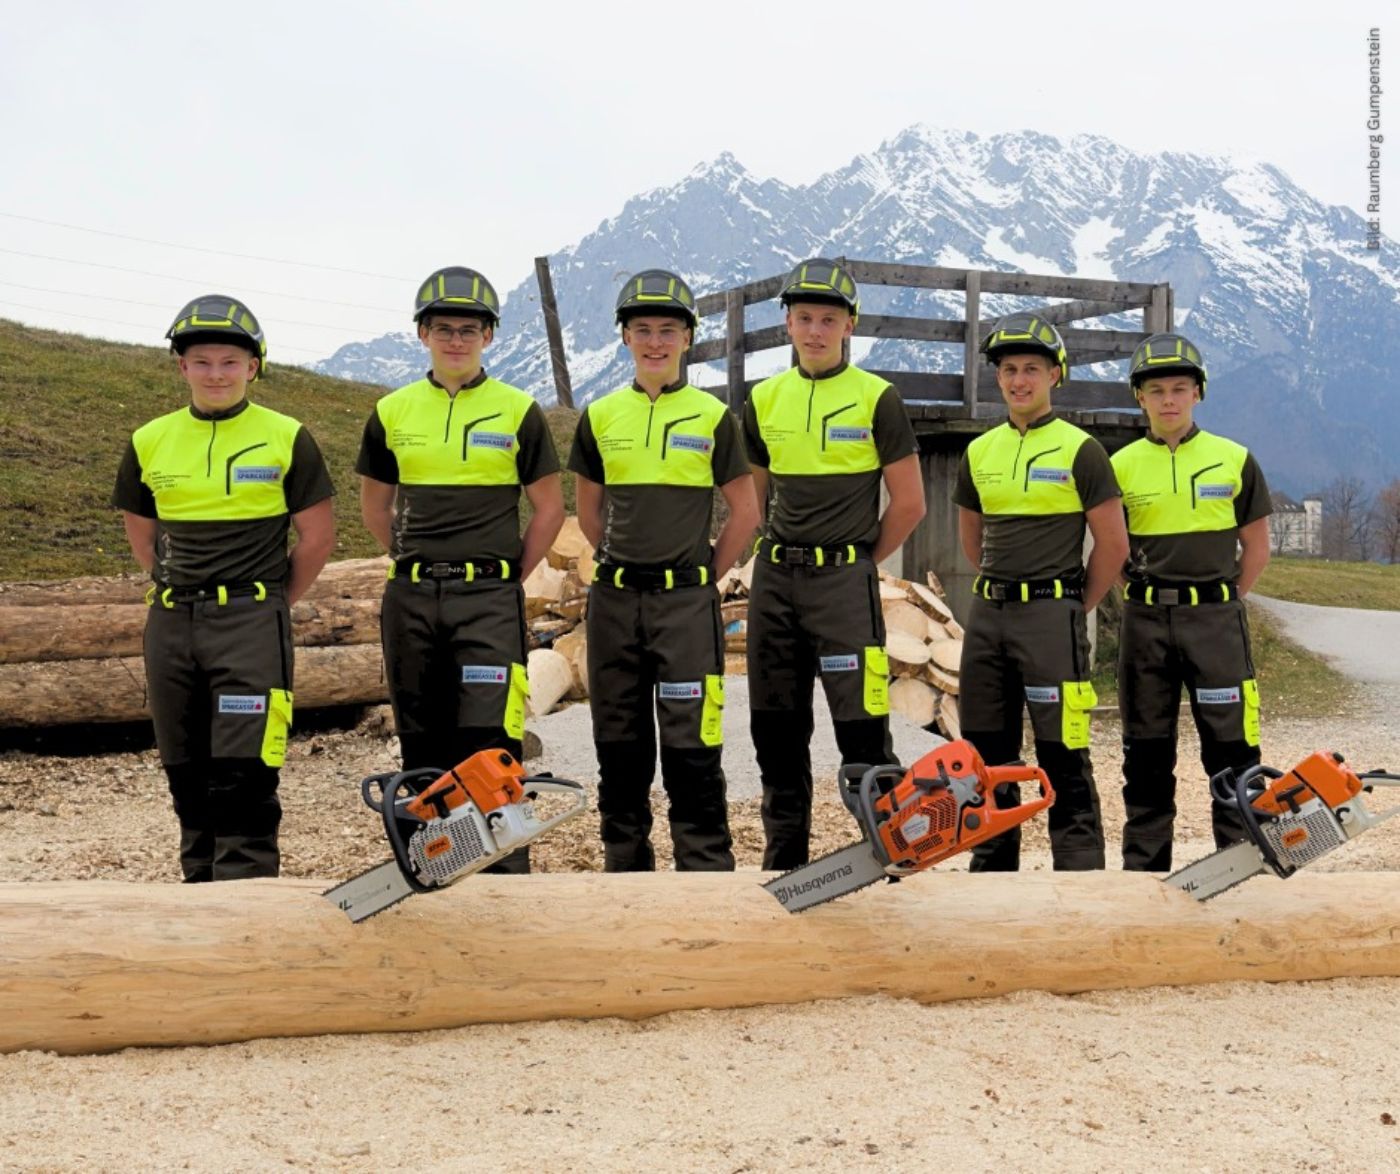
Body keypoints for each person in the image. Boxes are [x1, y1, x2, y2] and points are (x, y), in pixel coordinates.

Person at [113, 295, 336, 881]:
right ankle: (198, 890)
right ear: (181, 366)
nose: (216, 374)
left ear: (252, 367)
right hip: (172, 625)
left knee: (245, 770)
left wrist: (270, 604)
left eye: (230, 362)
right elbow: (143, 537)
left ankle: (248, 897)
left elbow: (317, 538)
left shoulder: (287, 436)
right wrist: (179, 590)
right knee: (184, 766)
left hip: (250, 623)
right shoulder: (148, 439)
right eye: (203, 362)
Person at [357, 265, 564, 874]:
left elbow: (550, 509)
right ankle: (433, 870)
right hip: (412, 600)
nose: (455, 339)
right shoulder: (391, 411)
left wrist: (509, 575)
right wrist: (411, 556)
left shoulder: (518, 411)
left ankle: (505, 879)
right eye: (443, 328)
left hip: (488, 602)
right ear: (422, 333)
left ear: (488, 336)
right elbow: (375, 507)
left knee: (490, 742)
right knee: (421, 741)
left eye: (468, 329)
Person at [568, 269, 759, 871]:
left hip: (685, 610)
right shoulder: (600, 416)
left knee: (692, 746)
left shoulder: (713, 416)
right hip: (614, 607)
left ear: (687, 338)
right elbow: (589, 513)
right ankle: (625, 870)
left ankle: (704, 871)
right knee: (618, 744)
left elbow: (746, 511)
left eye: (668, 331)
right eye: (644, 329)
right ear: (625, 336)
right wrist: (626, 562)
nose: (656, 341)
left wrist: (703, 576)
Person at [743, 258, 926, 870]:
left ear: (850, 325)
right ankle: (784, 866)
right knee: (776, 732)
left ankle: (893, 859)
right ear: (788, 324)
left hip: (844, 585)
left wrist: (859, 561)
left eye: (828, 320)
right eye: (804, 318)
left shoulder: (877, 398)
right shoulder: (763, 399)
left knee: (862, 730)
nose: (815, 330)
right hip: (776, 583)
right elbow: (753, 500)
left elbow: (910, 504)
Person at [953, 312, 1128, 872]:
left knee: (1064, 751)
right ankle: (992, 869)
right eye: (1009, 370)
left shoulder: (1082, 450)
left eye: (1031, 369)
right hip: (989, 616)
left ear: (1055, 375)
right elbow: (972, 539)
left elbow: (1113, 546)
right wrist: (1001, 587)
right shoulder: (979, 451)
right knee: (985, 754)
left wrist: (1073, 606)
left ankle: (1078, 872)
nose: (1019, 380)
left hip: (1052, 618)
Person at [1112, 332, 1273, 870]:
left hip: (1216, 622)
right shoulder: (1119, 466)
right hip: (1145, 622)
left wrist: (1223, 601)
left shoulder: (1235, 459)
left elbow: (1257, 547)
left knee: (1232, 749)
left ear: (1198, 392)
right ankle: (1144, 869)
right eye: (1156, 391)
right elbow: (1111, 548)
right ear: (1139, 397)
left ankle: (1240, 862)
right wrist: (1142, 595)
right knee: (1145, 750)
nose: (1168, 400)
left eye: (1179, 388)